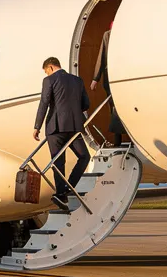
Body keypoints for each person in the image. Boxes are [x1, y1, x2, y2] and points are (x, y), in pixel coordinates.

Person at [34, 57, 90, 207]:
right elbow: (86, 104)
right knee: (84, 156)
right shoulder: (77, 80)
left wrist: (37, 126)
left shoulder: (49, 81)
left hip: (55, 127)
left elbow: (44, 102)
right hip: (74, 127)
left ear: (50, 67)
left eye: (46, 71)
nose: (47, 74)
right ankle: (69, 188)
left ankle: (60, 193)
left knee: (58, 161)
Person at [89, 27, 127, 146]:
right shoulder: (108, 35)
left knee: (117, 109)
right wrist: (96, 78)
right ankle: (117, 141)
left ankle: (119, 141)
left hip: (124, 77)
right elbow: (102, 56)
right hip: (112, 79)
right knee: (115, 110)